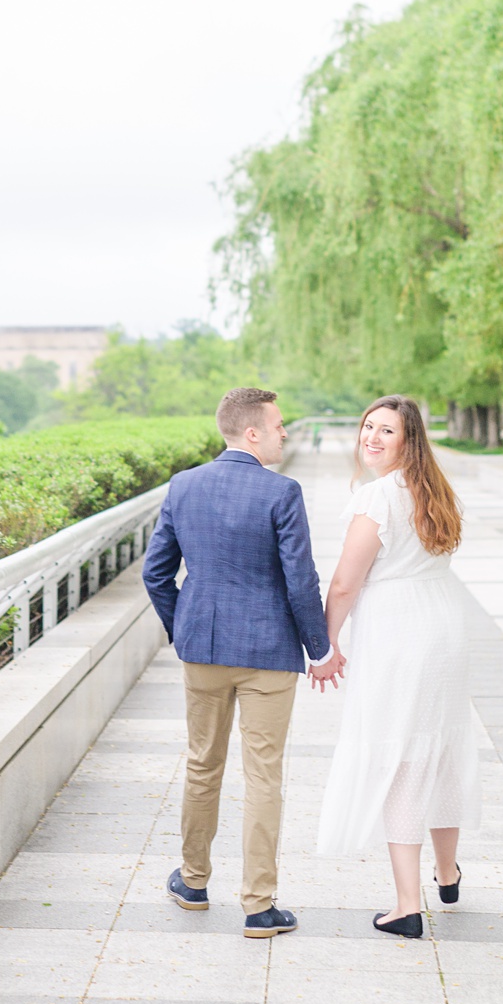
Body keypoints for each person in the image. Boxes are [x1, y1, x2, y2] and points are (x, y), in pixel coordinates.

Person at [140, 386, 338, 939]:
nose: (284, 433)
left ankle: (195, 881)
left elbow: (156, 574)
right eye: (277, 425)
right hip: (270, 654)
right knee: (263, 776)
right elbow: (301, 579)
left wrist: (184, 628)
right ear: (251, 431)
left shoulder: (184, 486)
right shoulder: (282, 492)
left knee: (203, 764)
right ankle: (258, 905)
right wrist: (318, 649)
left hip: (202, 650)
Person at [313, 395, 481, 939]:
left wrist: (325, 642)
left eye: (386, 431)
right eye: (367, 427)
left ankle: (409, 905)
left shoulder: (379, 497)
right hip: (445, 623)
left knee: (402, 754)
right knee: (442, 742)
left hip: (400, 632)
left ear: (409, 440)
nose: (371, 438)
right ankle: (447, 874)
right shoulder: (435, 489)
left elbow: (344, 582)